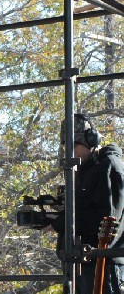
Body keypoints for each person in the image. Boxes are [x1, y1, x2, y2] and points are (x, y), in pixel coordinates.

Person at [49, 113, 124, 293]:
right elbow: (83, 209)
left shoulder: (109, 166)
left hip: (104, 262)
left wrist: (61, 223)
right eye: (67, 147)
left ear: (91, 141)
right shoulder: (82, 169)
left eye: (74, 146)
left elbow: (106, 218)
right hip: (81, 261)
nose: (71, 152)